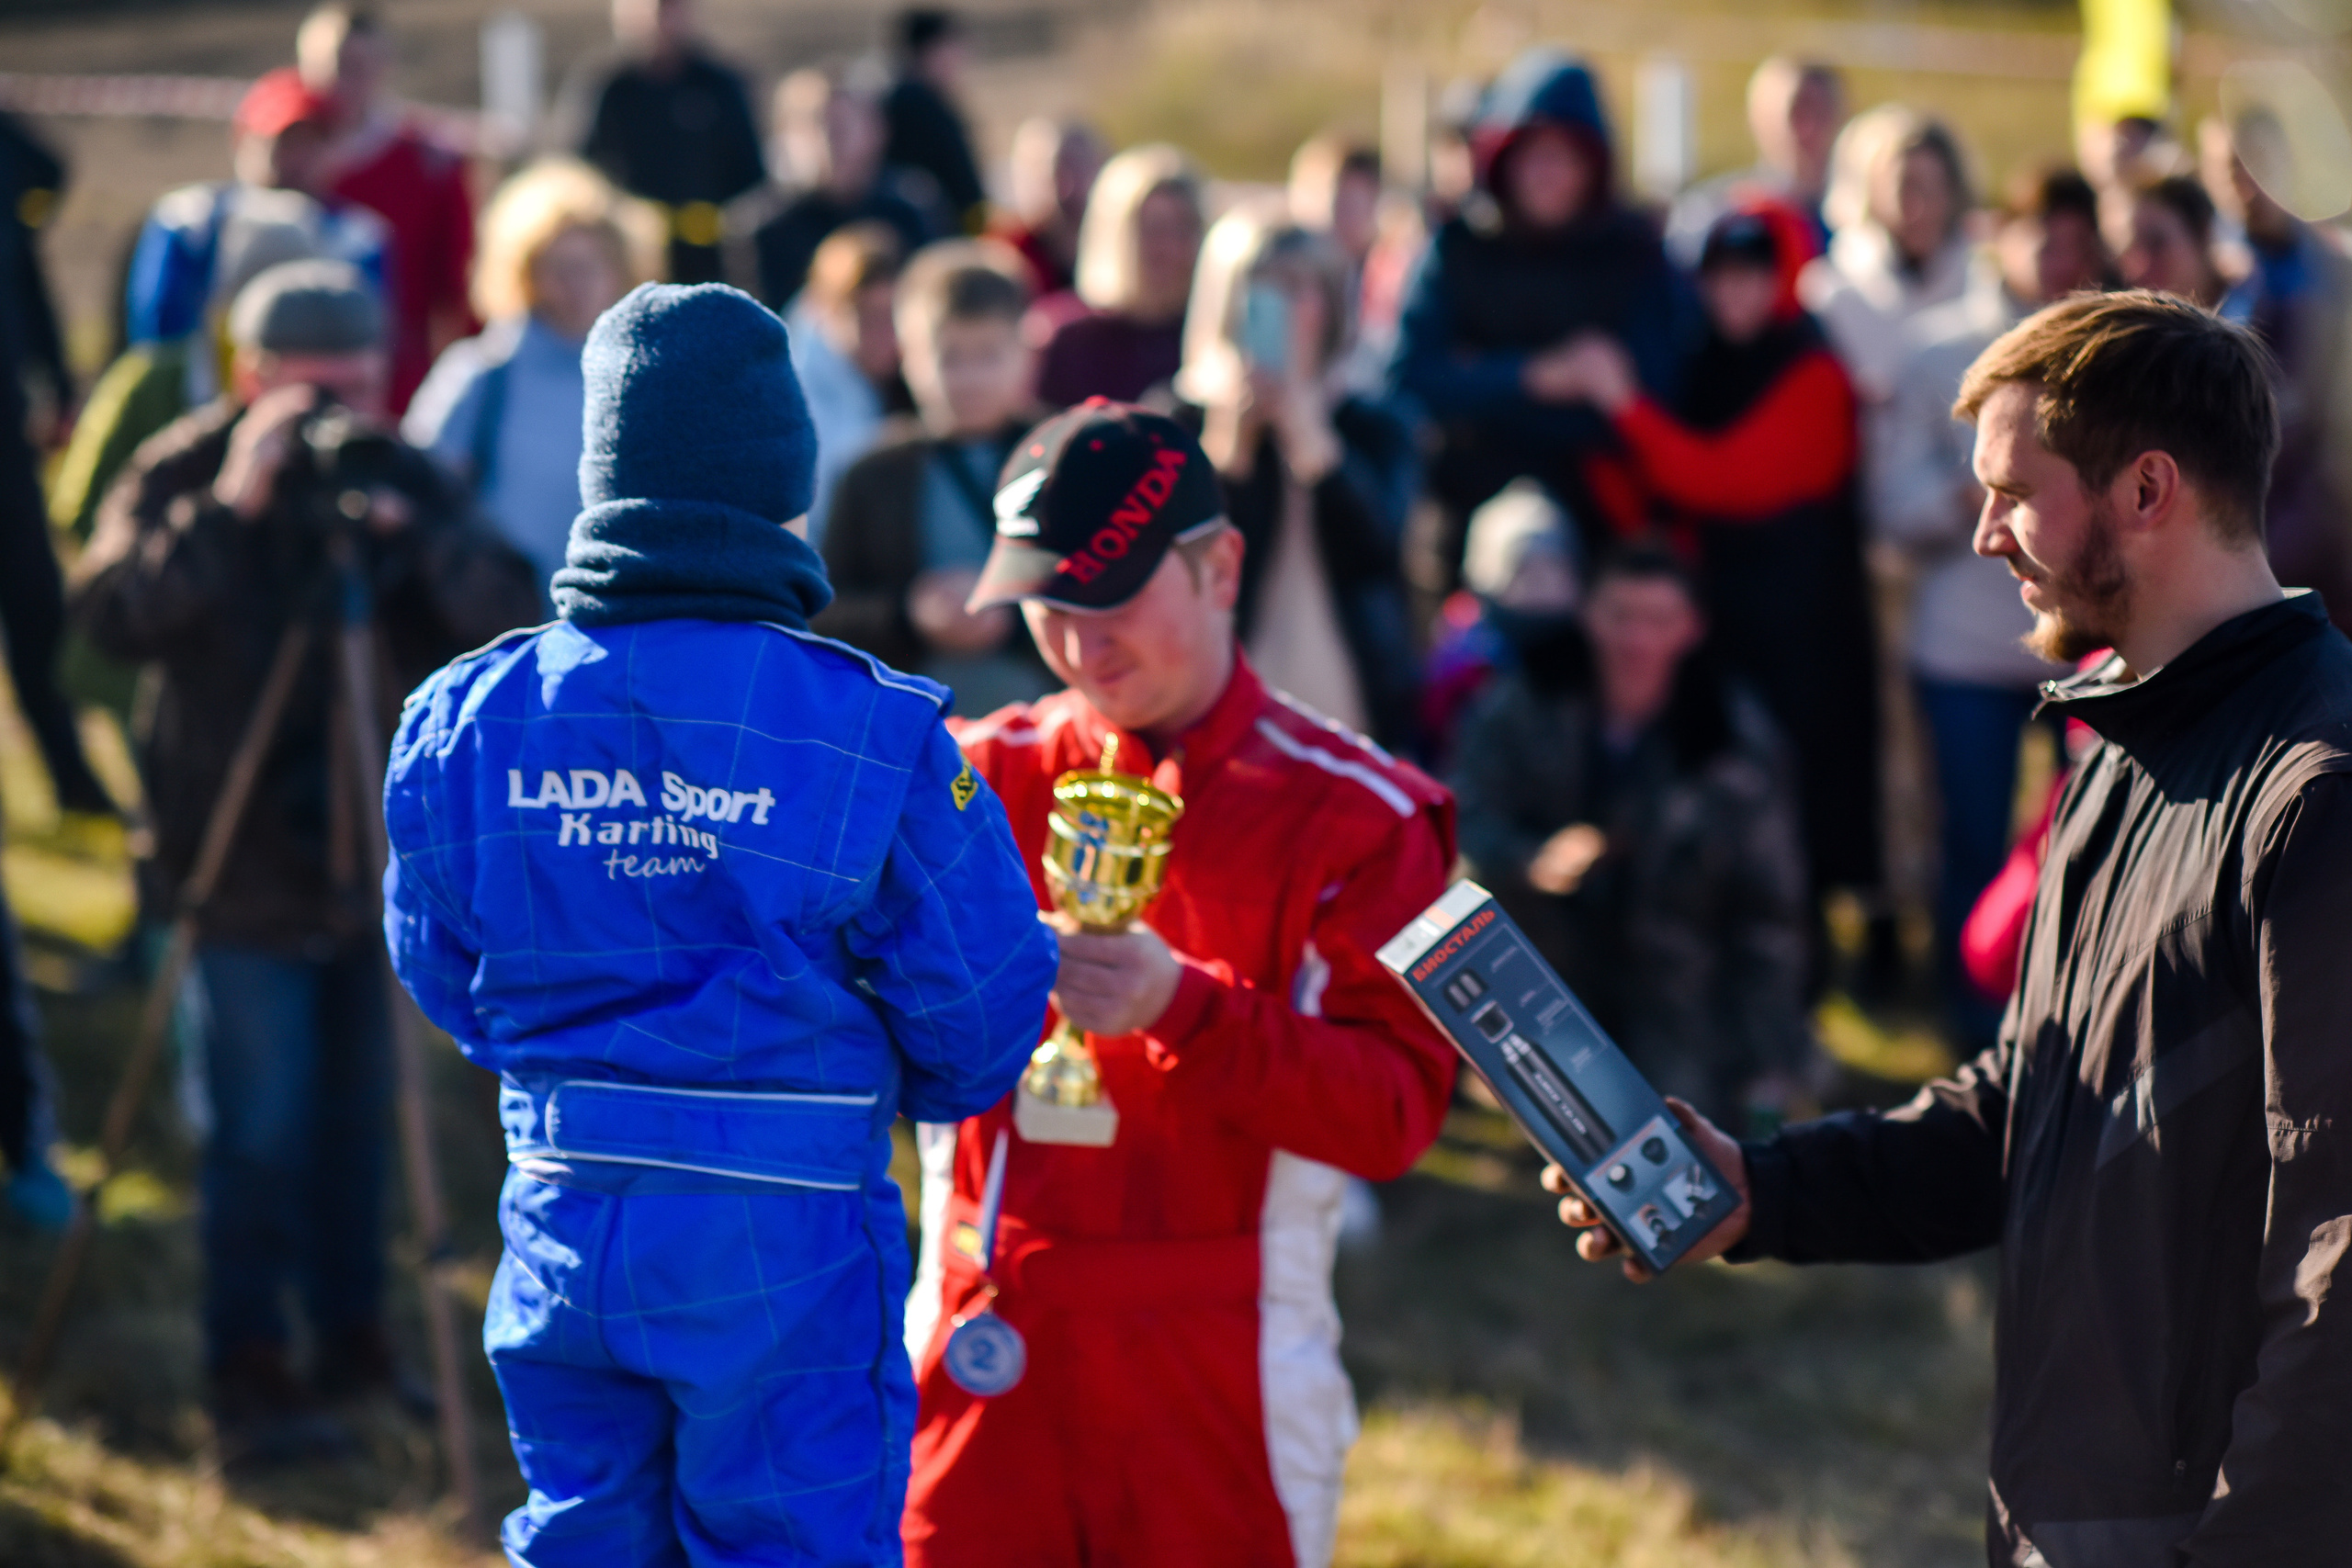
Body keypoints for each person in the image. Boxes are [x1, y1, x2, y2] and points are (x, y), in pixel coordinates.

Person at [1555, 291, 2352, 1564]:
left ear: (2147, 488)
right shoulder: (2120, 750)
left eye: (2012, 491)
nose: (1982, 534)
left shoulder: (2315, 794)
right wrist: (1757, 1189)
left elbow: (2342, 1262)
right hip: (2070, 1514)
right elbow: (2036, 1105)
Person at [381, 280, 1056, 1565]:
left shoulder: (464, 714)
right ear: (783, 484)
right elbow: (980, 1024)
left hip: (564, 1219)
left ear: (602, 475)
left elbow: (445, 973)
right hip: (786, 1237)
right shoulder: (877, 725)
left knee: (583, 1537)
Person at [903, 402, 1457, 1568]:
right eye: (1046, 603)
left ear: (1220, 567)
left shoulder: (1366, 817)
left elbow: (1399, 1112)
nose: (1074, 641)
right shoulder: (964, 779)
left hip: (1219, 1377)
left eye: (1107, 600)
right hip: (981, 1343)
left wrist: (1181, 1008)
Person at [71, 261, 541, 1453]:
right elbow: (113, 611)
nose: (336, 418)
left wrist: (410, 539)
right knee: (258, 1125)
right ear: (252, 375)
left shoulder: (397, 474)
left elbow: (508, 612)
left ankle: (356, 1335)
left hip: (369, 865)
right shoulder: (185, 467)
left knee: (361, 1122)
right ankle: (251, 1360)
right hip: (237, 867)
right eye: (310, 395)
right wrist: (238, 501)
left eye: (357, 390)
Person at [1553, 203, 1880, 919]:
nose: (1734, 294)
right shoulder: (1704, 362)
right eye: (1719, 277)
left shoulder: (1813, 373)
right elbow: (1664, 496)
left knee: (1802, 795)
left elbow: (1718, 477)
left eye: (1752, 276)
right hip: (1724, 624)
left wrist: (1618, 404)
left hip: (1802, 635)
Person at [1453, 546, 1811, 1131]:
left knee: (1672, 1129)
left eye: (1659, 622)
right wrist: (1534, 861)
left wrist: (1770, 1061)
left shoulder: (1730, 737)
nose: (1637, 640)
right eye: (1621, 617)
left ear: (1692, 629)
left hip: (1679, 980)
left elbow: (1769, 914)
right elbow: (1463, 817)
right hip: (1550, 966)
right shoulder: (1523, 705)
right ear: (1588, 614)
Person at [1871, 167, 2102, 1048]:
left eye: (2076, 243)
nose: (2058, 260)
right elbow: (1889, 503)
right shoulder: (1938, 354)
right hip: (1965, 651)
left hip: (2084, 651)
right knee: (1970, 844)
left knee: (2086, 845)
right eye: (2042, 237)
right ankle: (1977, 1035)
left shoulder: (2112, 360)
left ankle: (2069, 1022)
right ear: (1996, 234)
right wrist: (1994, 496)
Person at [1386, 47, 1686, 576]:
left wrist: (1478, 378)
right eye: (1534, 156)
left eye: (1565, 157)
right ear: (1503, 159)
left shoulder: (1633, 256)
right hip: (1461, 528)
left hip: (1603, 532)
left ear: (1593, 166)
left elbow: (1657, 392)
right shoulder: (1459, 249)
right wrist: (1534, 378)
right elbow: (1408, 380)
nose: (1548, 175)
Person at [1170, 209, 1421, 751]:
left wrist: (1310, 437)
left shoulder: (1376, 423)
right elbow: (1187, 568)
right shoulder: (1178, 419)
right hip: (1215, 704)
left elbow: (1381, 551)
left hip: (1349, 697)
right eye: (1263, 291)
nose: (1284, 310)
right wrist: (1229, 448)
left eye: (1301, 289)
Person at [815, 242, 1052, 714]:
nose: (969, 378)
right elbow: (822, 612)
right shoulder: (871, 472)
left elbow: (1105, 591)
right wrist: (908, 614)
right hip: (908, 735)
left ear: (1027, 355)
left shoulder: (1063, 460)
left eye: (989, 355)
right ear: (909, 356)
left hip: (1046, 728)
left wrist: (1018, 617)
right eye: (949, 357)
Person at [404, 161, 657, 604]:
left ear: (620, 270)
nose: (573, 286)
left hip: (618, 631)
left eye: (589, 268)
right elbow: (419, 488)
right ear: (523, 274)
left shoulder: (650, 379)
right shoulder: (482, 372)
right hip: (499, 629)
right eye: (557, 268)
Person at [122, 68, 390, 408]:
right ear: (244, 140)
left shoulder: (359, 237)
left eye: (314, 142)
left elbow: (370, 345)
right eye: (285, 142)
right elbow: (157, 340)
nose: (299, 158)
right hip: (202, 407)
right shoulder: (192, 223)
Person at [2206, 107, 2352, 633]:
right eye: (2230, 170)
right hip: (2224, 534)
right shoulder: (2201, 273)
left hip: (2318, 542)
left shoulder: (2334, 272)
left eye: (2258, 166)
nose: (2245, 187)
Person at [297, 3, 478, 413]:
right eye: (335, 65)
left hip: (397, 374)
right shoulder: (288, 156)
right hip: (302, 363)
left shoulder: (429, 163)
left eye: (361, 65)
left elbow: (456, 285)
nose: (344, 81)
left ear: (385, 67)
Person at [566, 0, 764, 285]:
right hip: (630, 259)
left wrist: (718, 222)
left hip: (712, 258)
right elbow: (581, 171)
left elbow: (751, 174)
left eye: (670, 7)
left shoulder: (722, 85)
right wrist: (629, 217)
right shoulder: (608, 87)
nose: (659, 19)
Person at [1803, 106, 1973, 403]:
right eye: (1906, 188)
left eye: (1936, 188)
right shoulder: (1829, 295)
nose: (1922, 207)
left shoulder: (1983, 288)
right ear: (1868, 192)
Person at [1033, 143, 1204, 407]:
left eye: (1183, 229)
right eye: (1152, 230)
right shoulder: (1069, 340)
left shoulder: (1211, 336)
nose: (1169, 248)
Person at [751, 66, 933, 310]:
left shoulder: (911, 208)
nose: (829, 142)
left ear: (877, 131)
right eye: (814, 126)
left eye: (843, 127)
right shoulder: (764, 228)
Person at [787, 222, 910, 542]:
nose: (887, 334)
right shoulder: (797, 405)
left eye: (894, 315)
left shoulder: (902, 377)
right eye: (867, 317)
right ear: (826, 313)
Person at [1666, 56, 1846, 264]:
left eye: (1822, 112)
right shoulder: (1715, 216)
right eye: (1796, 111)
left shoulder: (1859, 221)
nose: (1810, 127)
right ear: (1759, 118)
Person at [883, 8, 989, 237]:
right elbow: (959, 179)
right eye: (952, 48)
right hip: (936, 232)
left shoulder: (917, 100)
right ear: (929, 50)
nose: (961, 58)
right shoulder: (916, 105)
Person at [990, 116, 1104, 299]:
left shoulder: (1125, 249)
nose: (1071, 186)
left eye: (1081, 168)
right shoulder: (1003, 258)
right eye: (1058, 171)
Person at [2113, 173, 2229, 308]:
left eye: (2156, 244)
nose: (2141, 268)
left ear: (2203, 234)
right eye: (2130, 250)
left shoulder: (2255, 311)